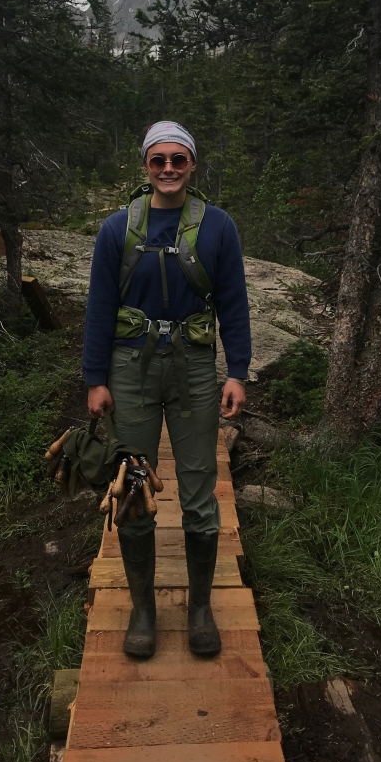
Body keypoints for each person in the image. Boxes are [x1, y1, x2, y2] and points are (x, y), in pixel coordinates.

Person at [83, 120, 251, 659]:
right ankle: (142, 610)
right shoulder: (116, 230)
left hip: (195, 366)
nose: (170, 169)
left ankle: (200, 608)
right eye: (159, 160)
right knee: (134, 484)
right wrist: (95, 380)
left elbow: (233, 302)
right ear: (146, 167)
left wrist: (237, 371)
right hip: (129, 367)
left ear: (193, 165)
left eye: (179, 159)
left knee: (200, 487)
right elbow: (99, 309)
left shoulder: (219, 227)